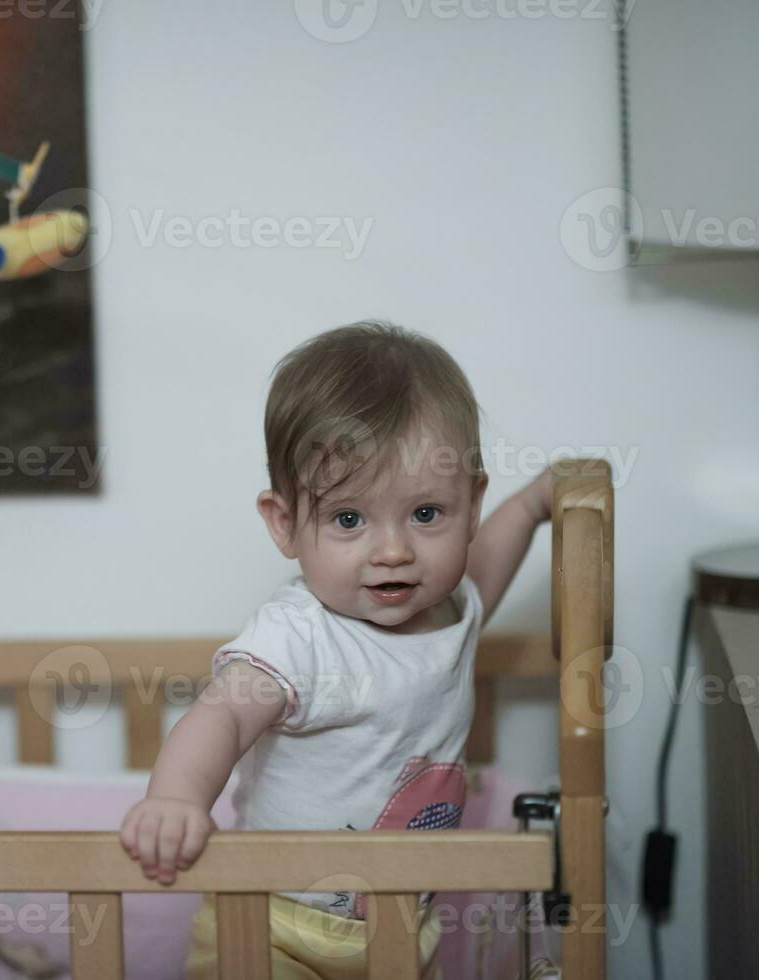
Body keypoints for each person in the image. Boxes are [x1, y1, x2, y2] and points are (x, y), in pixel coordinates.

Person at [119, 320, 556, 979]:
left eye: (426, 514)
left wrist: (529, 507)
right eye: (348, 519)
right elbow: (224, 715)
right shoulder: (298, 635)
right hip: (271, 924)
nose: (392, 550)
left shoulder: (453, 610)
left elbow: (485, 565)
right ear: (285, 523)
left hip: (401, 925)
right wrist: (177, 799)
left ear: (469, 506)